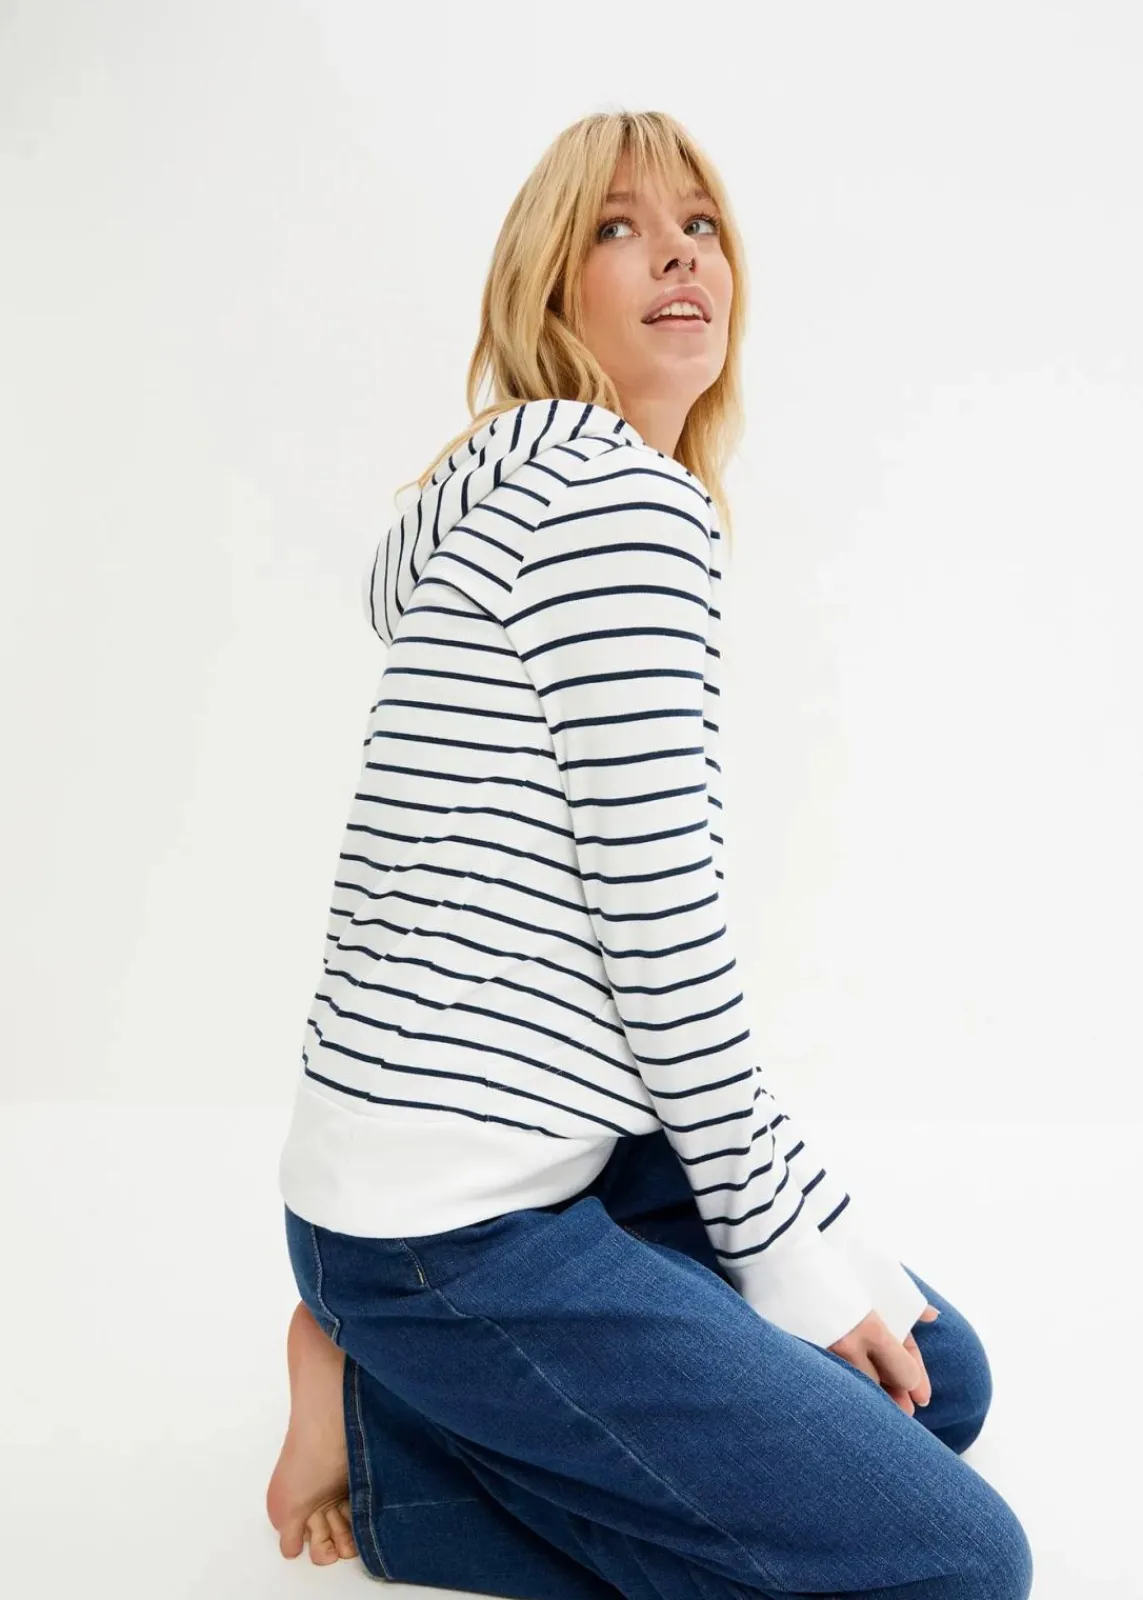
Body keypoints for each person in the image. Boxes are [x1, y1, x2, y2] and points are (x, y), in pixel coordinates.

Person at [265, 109, 1034, 1599]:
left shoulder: (512, 490)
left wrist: (807, 1233)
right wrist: (785, 1253)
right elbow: (664, 942)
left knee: (941, 1385)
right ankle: (384, 1434)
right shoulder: (616, 505)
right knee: (952, 1564)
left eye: (700, 225)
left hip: (548, 1158)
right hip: (451, 1229)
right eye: (617, 227)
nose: (677, 253)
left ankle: (403, 1387)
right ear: (551, 292)